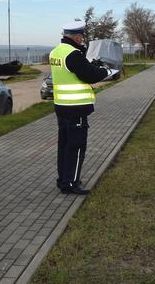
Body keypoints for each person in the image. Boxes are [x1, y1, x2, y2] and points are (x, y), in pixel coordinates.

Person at [50, 20, 112, 195]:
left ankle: (63, 179)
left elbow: (76, 68)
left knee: (63, 145)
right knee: (76, 147)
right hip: (75, 108)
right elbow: (90, 75)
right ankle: (71, 184)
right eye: (81, 37)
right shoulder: (73, 55)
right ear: (77, 37)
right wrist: (106, 72)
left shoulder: (57, 52)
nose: (83, 40)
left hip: (61, 107)